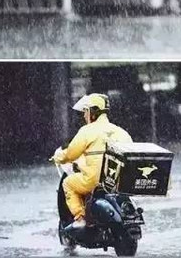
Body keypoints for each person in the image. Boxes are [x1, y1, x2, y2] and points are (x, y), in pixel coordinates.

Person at [51, 93, 133, 231]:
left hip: (94, 180)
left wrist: (59, 157)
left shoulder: (86, 131)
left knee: (68, 183)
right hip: (117, 181)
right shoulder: (121, 131)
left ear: (93, 112)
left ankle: (80, 218)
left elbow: (71, 154)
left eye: (86, 111)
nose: (84, 116)